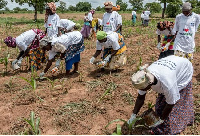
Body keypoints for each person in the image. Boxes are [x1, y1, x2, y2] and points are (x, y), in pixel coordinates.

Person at [128, 55, 194, 135]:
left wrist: (161, 120)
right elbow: (140, 97)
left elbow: (170, 104)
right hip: (172, 64)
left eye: (143, 89)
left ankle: (169, 129)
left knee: (175, 109)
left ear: (149, 85)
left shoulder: (168, 83)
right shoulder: (145, 77)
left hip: (184, 71)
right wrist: (133, 115)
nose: (142, 90)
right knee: (161, 105)